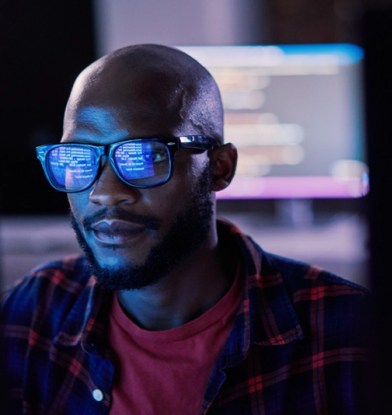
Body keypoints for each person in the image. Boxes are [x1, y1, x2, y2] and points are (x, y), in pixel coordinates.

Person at [0, 44, 371, 414]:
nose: (105, 193)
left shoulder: (349, 332)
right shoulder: (32, 313)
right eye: (78, 158)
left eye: (144, 156)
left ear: (220, 167)